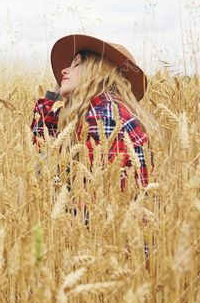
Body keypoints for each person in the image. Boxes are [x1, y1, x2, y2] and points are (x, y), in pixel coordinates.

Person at [31, 34, 156, 210]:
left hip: (110, 232)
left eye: (76, 64)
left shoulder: (105, 117)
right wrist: (54, 93)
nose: (63, 71)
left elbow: (90, 205)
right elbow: (45, 148)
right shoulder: (100, 111)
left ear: (97, 72)